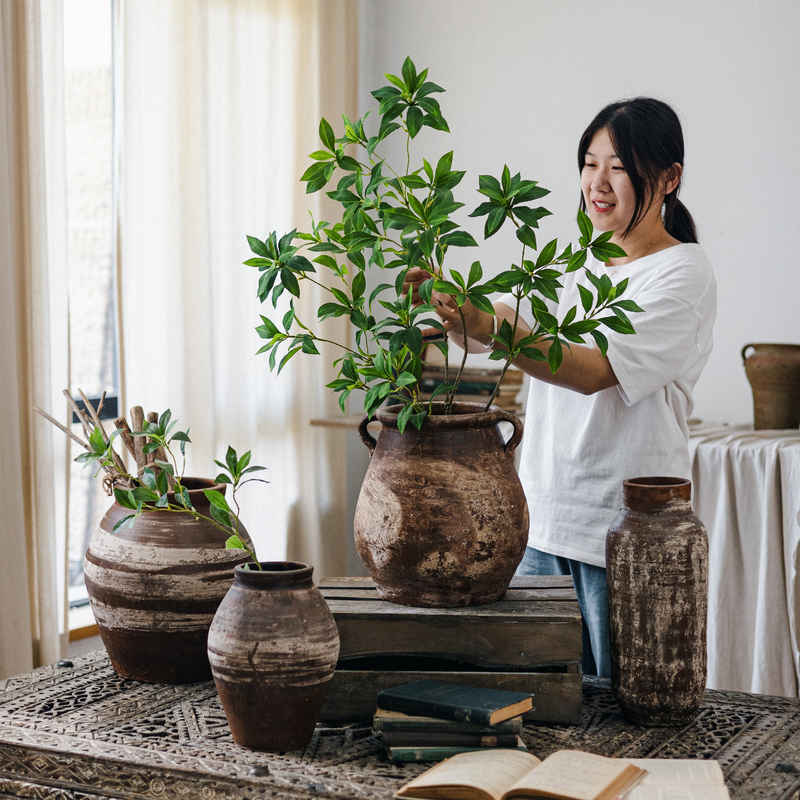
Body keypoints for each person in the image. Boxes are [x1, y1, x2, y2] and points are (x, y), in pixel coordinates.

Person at [404, 97, 717, 677]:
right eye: (589, 163)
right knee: (537, 707)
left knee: (624, 719)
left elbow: (592, 369)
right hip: (541, 518)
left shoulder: (683, 272)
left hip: (620, 532)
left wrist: (496, 327)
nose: (598, 182)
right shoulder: (579, 260)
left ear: (669, 177)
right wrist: (463, 310)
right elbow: (509, 315)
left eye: (619, 167)